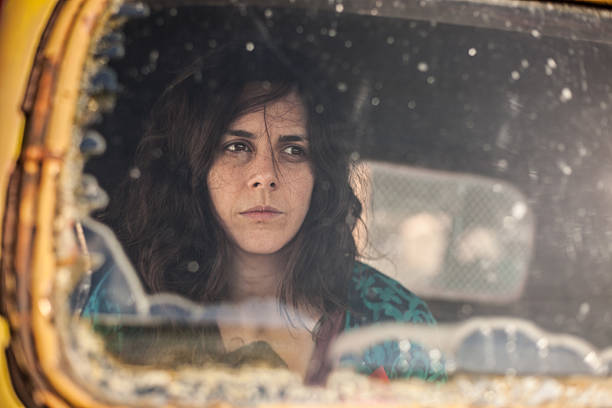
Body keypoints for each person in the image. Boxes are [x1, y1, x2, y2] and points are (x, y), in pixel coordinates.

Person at [82, 43, 446, 384]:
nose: (265, 177)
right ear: (193, 168)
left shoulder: (393, 323)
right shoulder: (126, 308)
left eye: (293, 150)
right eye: (237, 146)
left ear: (321, 174)